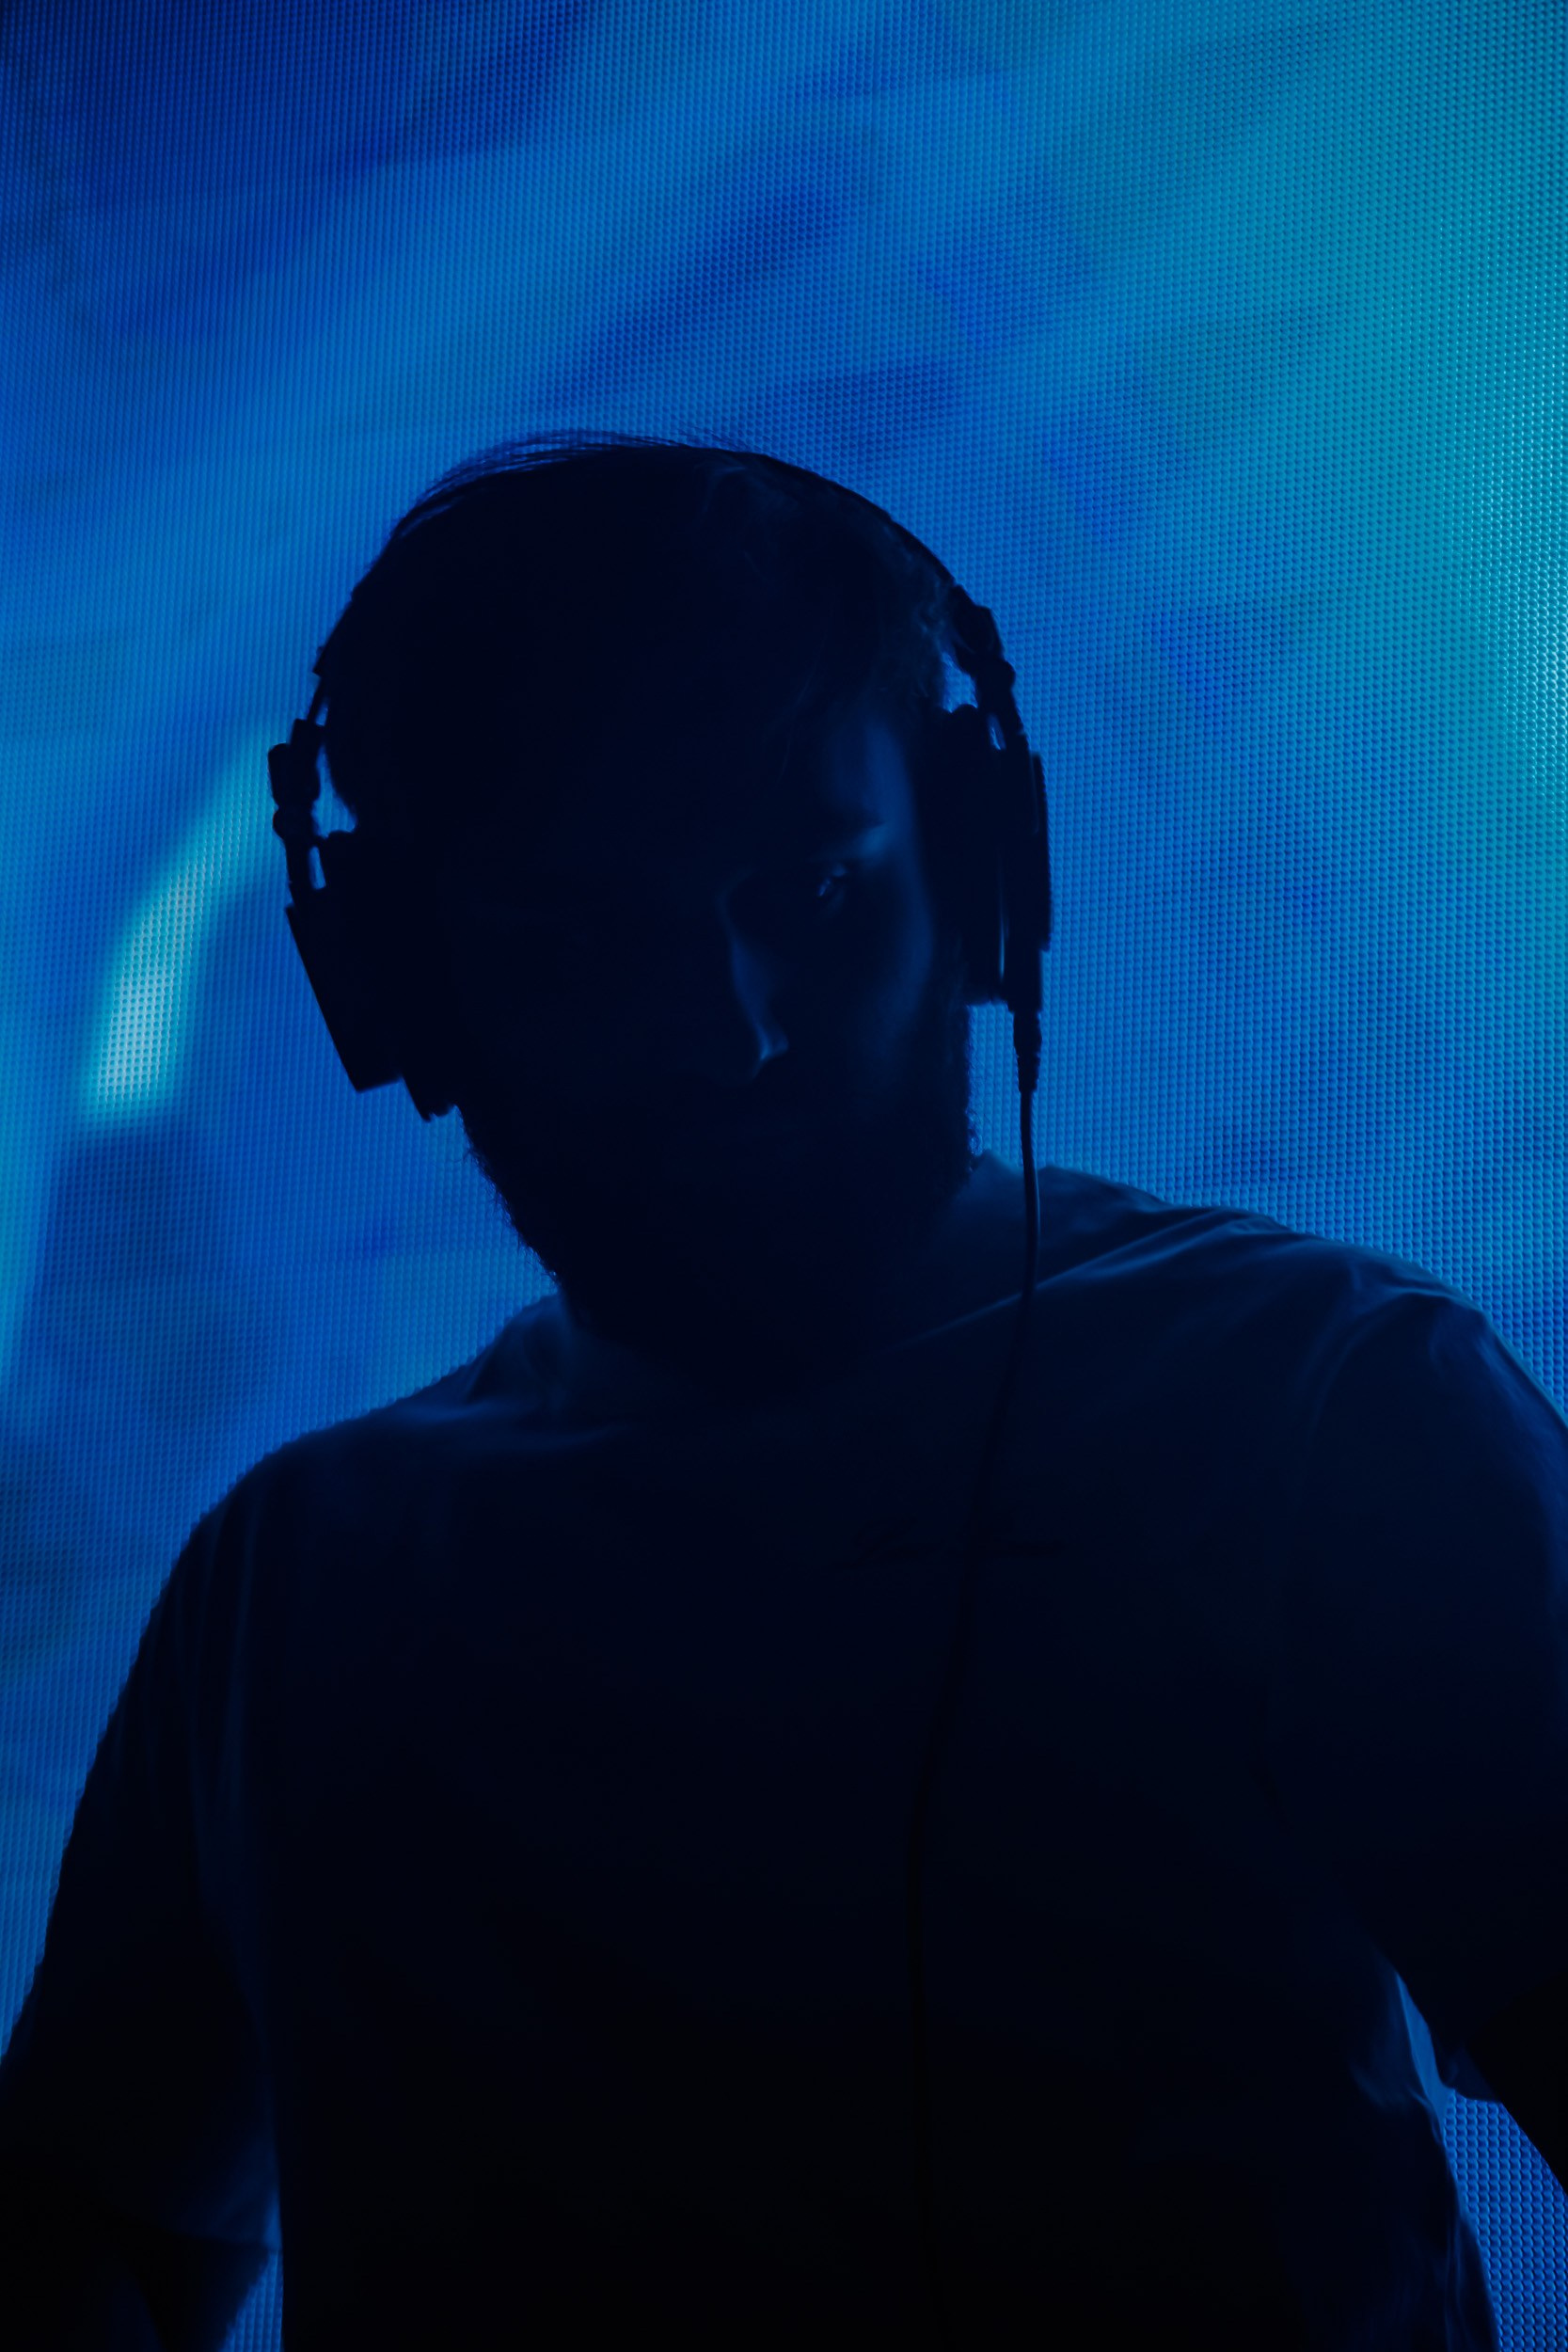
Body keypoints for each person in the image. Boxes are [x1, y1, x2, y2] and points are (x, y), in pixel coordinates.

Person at [1, 433, 1565, 2352]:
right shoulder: (291, 1584)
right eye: (574, 941)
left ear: (977, 874)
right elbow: (91, 2225)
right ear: (401, 983)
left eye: (811, 888)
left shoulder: (1325, 1412)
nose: (720, 1029)